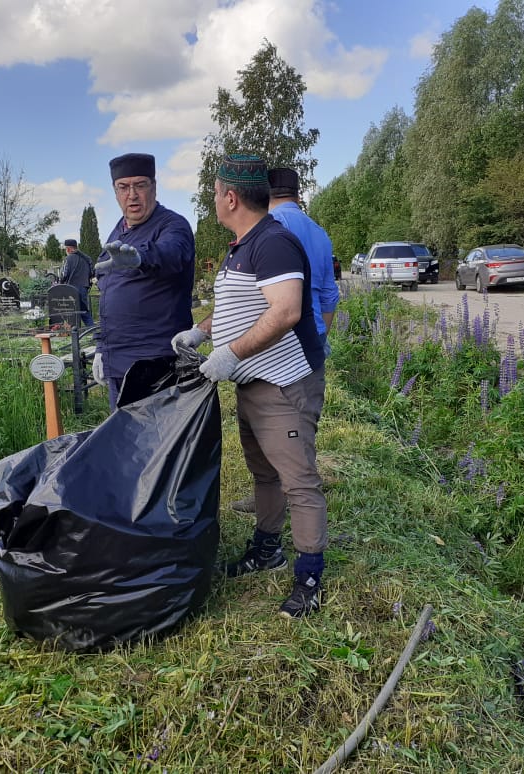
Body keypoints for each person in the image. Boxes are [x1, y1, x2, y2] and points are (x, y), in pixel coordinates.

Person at [171, 154, 328, 619]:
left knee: (299, 480)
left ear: (231, 197)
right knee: (263, 473)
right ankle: (266, 548)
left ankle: (310, 576)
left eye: (215, 192)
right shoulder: (241, 245)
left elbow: (285, 312)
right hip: (252, 381)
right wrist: (201, 332)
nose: (214, 200)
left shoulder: (273, 243)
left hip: (284, 382)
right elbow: (237, 306)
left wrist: (230, 353)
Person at [229, 167, 340, 514]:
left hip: (277, 347)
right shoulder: (318, 232)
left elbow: (261, 302)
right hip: (312, 345)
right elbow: (330, 296)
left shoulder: (266, 231)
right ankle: (296, 495)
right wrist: (318, 338)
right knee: (302, 426)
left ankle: (282, 500)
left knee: (272, 433)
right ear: (297, 192)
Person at [92, 153, 195, 409]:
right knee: (126, 443)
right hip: (118, 360)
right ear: (115, 192)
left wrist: (141, 258)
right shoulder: (120, 229)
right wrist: (102, 349)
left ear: (154, 187)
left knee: (157, 444)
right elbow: (110, 291)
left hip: (155, 364)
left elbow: (171, 254)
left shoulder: (172, 226)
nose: (132, 195)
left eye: (140, 185)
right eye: (123, 187)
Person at [58, 238, 94, 326]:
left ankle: (75, 331)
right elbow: (91, 273)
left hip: (71, 288)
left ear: (68, 249)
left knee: (72, 310)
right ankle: (92, 329)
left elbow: (64, 274)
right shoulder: (86, 258)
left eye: (65, 249)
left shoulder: (68, 258)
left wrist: (59, 282)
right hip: (84, 287)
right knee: (83, 310)